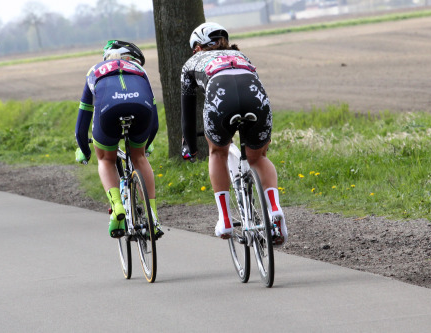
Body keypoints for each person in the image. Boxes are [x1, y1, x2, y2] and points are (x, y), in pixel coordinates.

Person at [180, 22, 287, 246]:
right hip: (255, 98)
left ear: (198, 47)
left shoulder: (191, 63)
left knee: (218, 153)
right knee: (258, 157)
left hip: (221, 99)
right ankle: (275, 210)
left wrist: (189, 145)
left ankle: (225, 220)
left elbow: (187, 114)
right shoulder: (242, 57)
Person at [75, 40, 163, 239]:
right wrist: (145, 146)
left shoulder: (94, 70)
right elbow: (155, 123)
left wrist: (85, 150)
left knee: (106, 159)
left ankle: (117, 207)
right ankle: (153, 217)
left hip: (108, 110)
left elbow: (82, 125)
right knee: (139, 158)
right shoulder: (139, 70)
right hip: (141, 109)